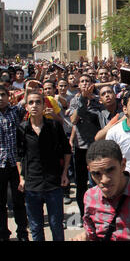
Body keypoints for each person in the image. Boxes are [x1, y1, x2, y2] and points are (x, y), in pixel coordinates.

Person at [16, 91, 72, 241]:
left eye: (38, 102)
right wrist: (21, 177)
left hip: (53, 183)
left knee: (56, 225)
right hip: (32, 185)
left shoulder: (54, 126)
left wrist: (65, 173)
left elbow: (67, 151)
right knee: (35, 227)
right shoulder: (22, 129)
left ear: (43, 105)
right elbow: (19, 155)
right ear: (26, 107)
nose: (35, 105)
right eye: (31, 103)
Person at [68, 74, 102, 220]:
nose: (84, 83)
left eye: (87, 81)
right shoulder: (75, 101)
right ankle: (84, 215)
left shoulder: (98, 101)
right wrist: (83, 99)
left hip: (96, 147)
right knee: (81, 184)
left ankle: (99, 214)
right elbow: (74, 120)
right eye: (82, 81)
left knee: (97, 182)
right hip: (80, 147)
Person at [0, 84, 29, 241]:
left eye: (3, 95)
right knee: (1, 203)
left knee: (18, 201)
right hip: (0, 165)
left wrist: (29, 88)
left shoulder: (15, 111)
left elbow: (25, 101)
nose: (0, 98)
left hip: (16, 163)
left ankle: (22, 233)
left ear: (8, 96)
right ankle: (3, 233)